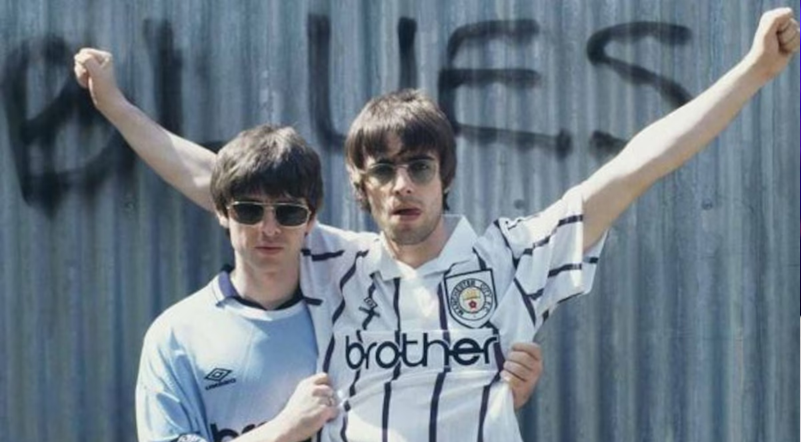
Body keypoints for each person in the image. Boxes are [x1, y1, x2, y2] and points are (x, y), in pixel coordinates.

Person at [75, 7, 799, 442]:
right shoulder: (336, 263)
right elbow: (218, 182)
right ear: (360, 187)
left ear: (444, 176)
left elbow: (635, 167)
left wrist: (751, 73)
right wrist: (111, 103)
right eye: (383, 171)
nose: (402, 187)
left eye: (418, 167)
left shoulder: (513, 258)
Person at [75, 63, 543, 442]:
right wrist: (115, 107)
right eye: (249, 211)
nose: (270, 227)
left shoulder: (351, 286)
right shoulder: (177, 333)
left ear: (311, 220)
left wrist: (491, 385)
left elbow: (422, 371)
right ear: (226, 211)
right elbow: (212, 176)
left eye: (290, 214)